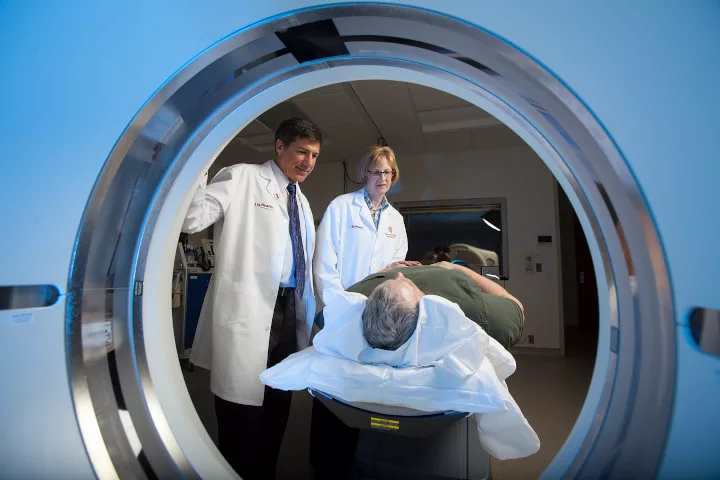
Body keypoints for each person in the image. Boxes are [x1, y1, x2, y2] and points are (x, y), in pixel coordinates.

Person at [181, 117, 322, 480]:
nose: (308, 161)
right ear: (279, 147)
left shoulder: (301, 202)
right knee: (239, 420)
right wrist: (198, 161)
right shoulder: (242, 177)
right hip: (250, 310)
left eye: (315, 155)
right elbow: (193, 218)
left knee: (278, 411)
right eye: (301, 151)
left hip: (290, 309)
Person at [309, 262, 524, 479]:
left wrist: (384, 273)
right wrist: (459, 270)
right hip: (445, 271)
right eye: (402, 281)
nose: (400, 276)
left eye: (396, 279)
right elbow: (516, 306)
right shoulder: (475, 313)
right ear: (425, 307)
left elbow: (323, 318)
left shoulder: (351, 303)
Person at [313, 145, 419, 309]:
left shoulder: (396, 219)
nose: (382, 178)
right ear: (365, 174)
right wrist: (339, 304)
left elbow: (393, 269)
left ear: (393, 175)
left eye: (387, 172)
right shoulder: (341, 206)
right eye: (375, 172)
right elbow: (324, 262)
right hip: (342, 303)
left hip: (380, 306)